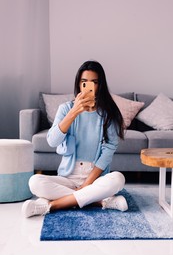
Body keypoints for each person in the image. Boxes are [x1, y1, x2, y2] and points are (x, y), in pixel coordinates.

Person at [22, 60, 128, 218]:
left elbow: (110, 147)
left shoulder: (107, 113)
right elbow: (52, 141)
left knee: (118, 179)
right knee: (34, 182)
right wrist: (73, 113)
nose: (88, 86)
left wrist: (87, 184)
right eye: (84, 82)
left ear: (100, 86)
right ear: (79, 84)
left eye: (94, 82)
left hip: (95, 177)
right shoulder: (65, 109)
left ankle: (52, 204)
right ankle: (99, 201)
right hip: (68, 176)